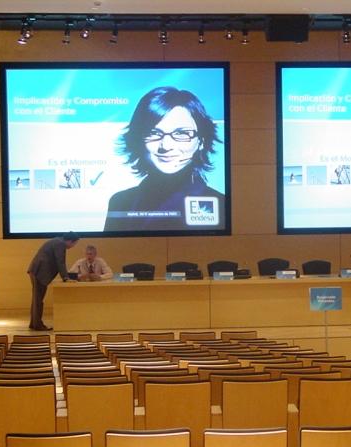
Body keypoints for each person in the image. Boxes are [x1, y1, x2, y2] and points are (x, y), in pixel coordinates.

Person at [104, 86, 224, 232]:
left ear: (201, 141)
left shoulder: (220, 202)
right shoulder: (121, 202)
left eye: (181, 133)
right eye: (153, 133)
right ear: (138, 139)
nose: (166, 146)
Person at [27, 232, 79, 331]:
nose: (73, 246)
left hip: (37, 271)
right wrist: (65, 278)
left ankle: (34, 324)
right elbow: (60, 261)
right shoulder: (60, 244)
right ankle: (37, 325)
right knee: (38, 300)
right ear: (69, 241)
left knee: (37, 299)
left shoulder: (56, 241)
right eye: (74, 244)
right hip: (40, 272)